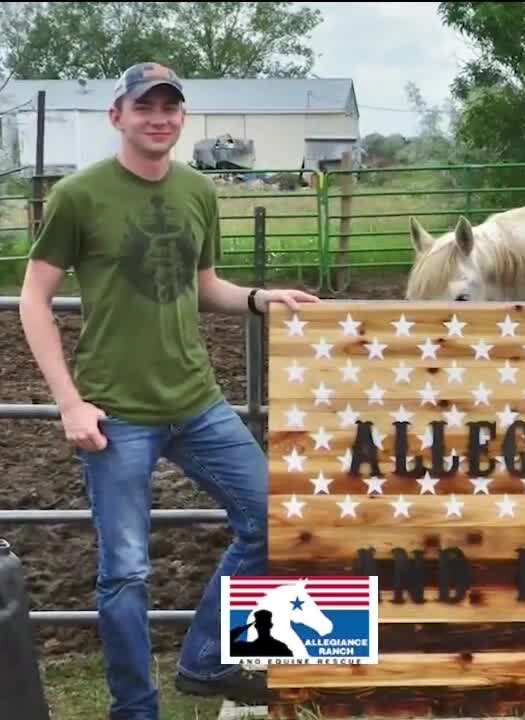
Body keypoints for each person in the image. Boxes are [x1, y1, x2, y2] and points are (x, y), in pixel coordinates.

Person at [18, 62, 320, 717]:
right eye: (144, 105)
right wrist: (69, 401)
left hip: (198, 402)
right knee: (125, 573)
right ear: (117, 116)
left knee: (274, 520)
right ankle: (136, 709)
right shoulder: (78, 195)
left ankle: (206, 660)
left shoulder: (196, 191)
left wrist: (261, 299)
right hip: (114, 414)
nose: (159, 117)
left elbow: (204, 283)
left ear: (182, 117)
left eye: (170, 106)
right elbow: (34, 299)